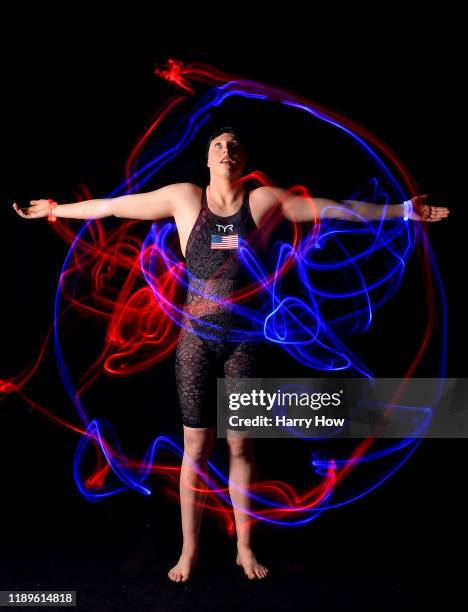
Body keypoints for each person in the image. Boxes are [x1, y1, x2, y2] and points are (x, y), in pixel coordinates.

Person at [12, 126, 450, 582]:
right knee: (195, 448)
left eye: (235, 145)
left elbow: (331, 209)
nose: (227, 150)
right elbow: (114, 206)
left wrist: (402, 212)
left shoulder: (262, 202)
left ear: (244, 159)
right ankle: (189, 552)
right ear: (207, 160)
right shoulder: (184, 199)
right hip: (195, 344)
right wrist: (56, 210)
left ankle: (244, 548)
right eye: (218, 145)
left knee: (241, 445)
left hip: (245, 342)